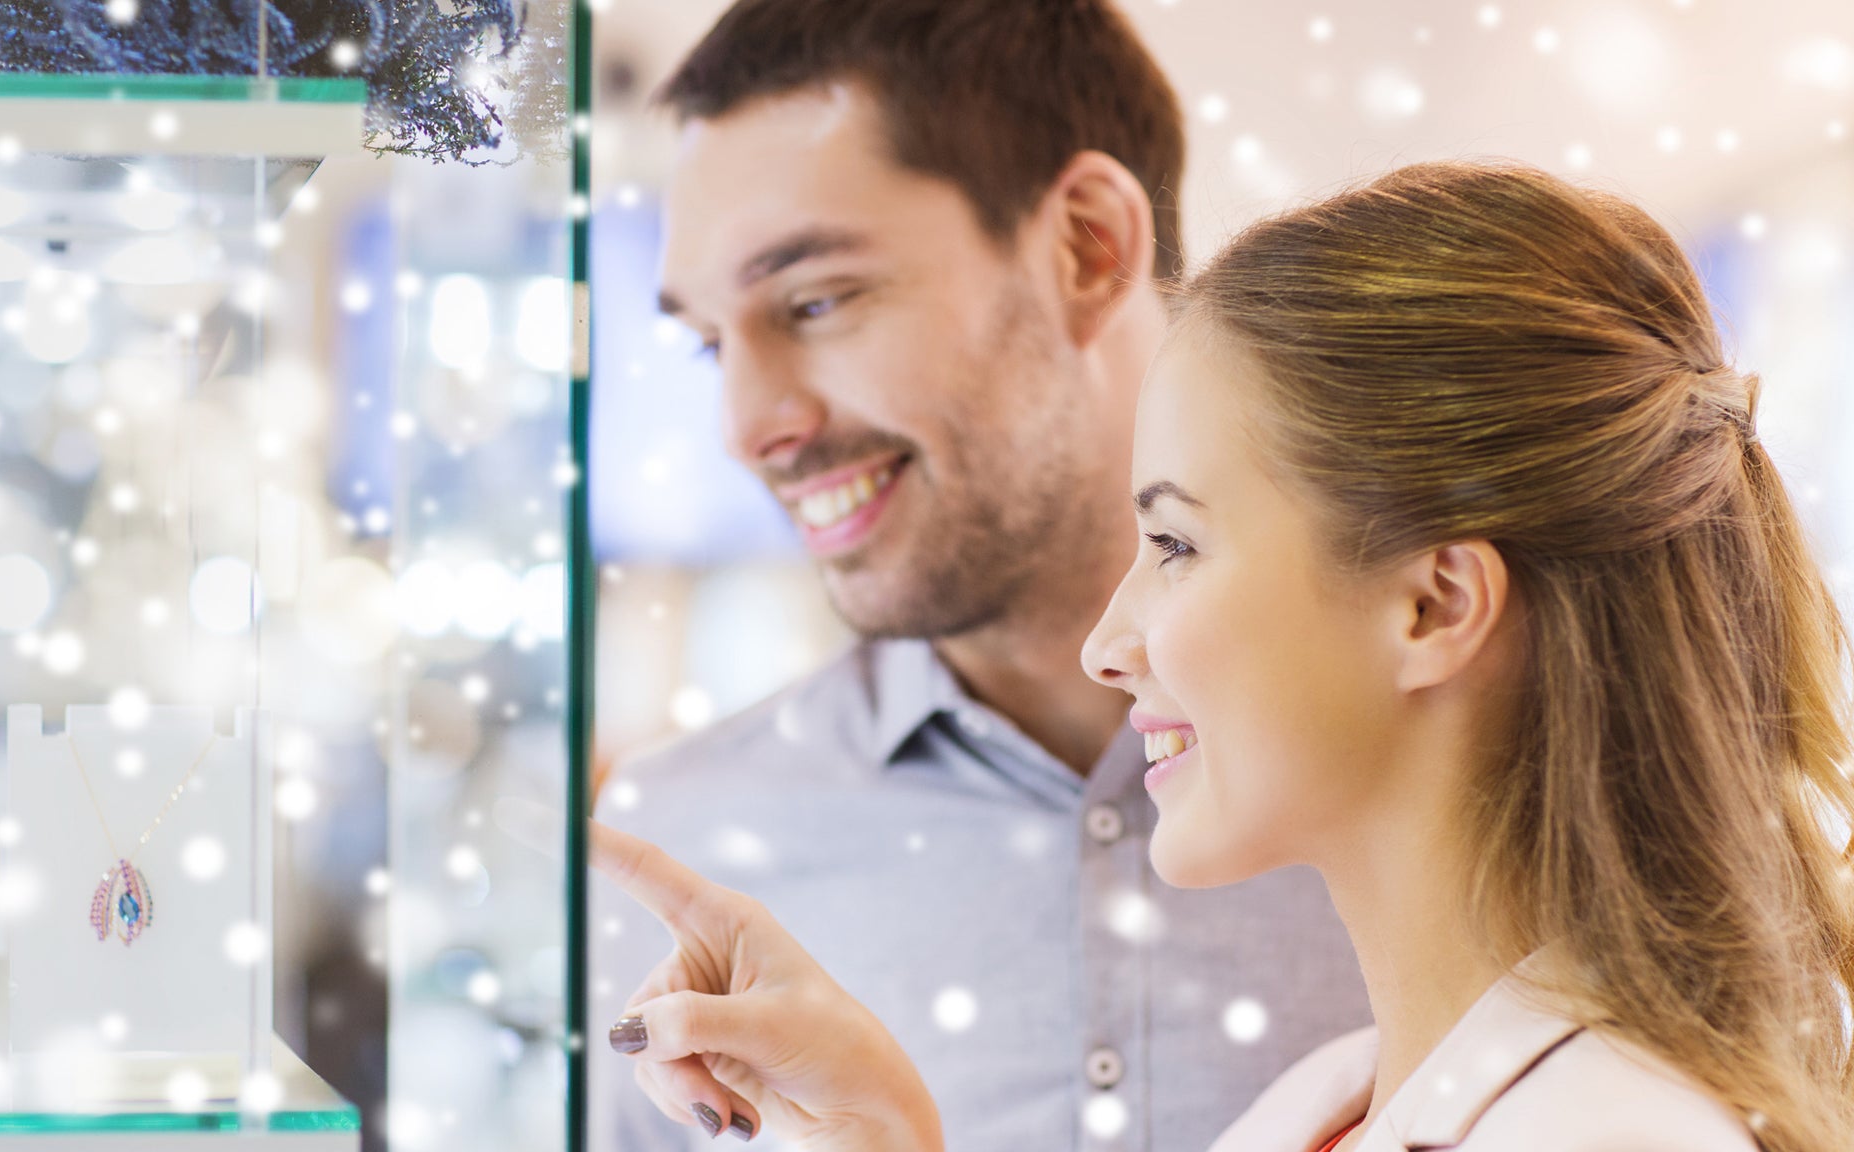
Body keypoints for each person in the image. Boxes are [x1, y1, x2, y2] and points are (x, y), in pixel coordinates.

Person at [592, 160, 1854, 1152]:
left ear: (1430, 605)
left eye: (1176, 544)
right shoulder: (1330, 1103)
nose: (1107, 641)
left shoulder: (1605, 1138)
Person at [590, 0, 1369, 1148]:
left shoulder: (1456, 758)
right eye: (713, 343)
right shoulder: (690, 851)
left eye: (815, 301)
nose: (747, 425)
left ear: (1085, 248)